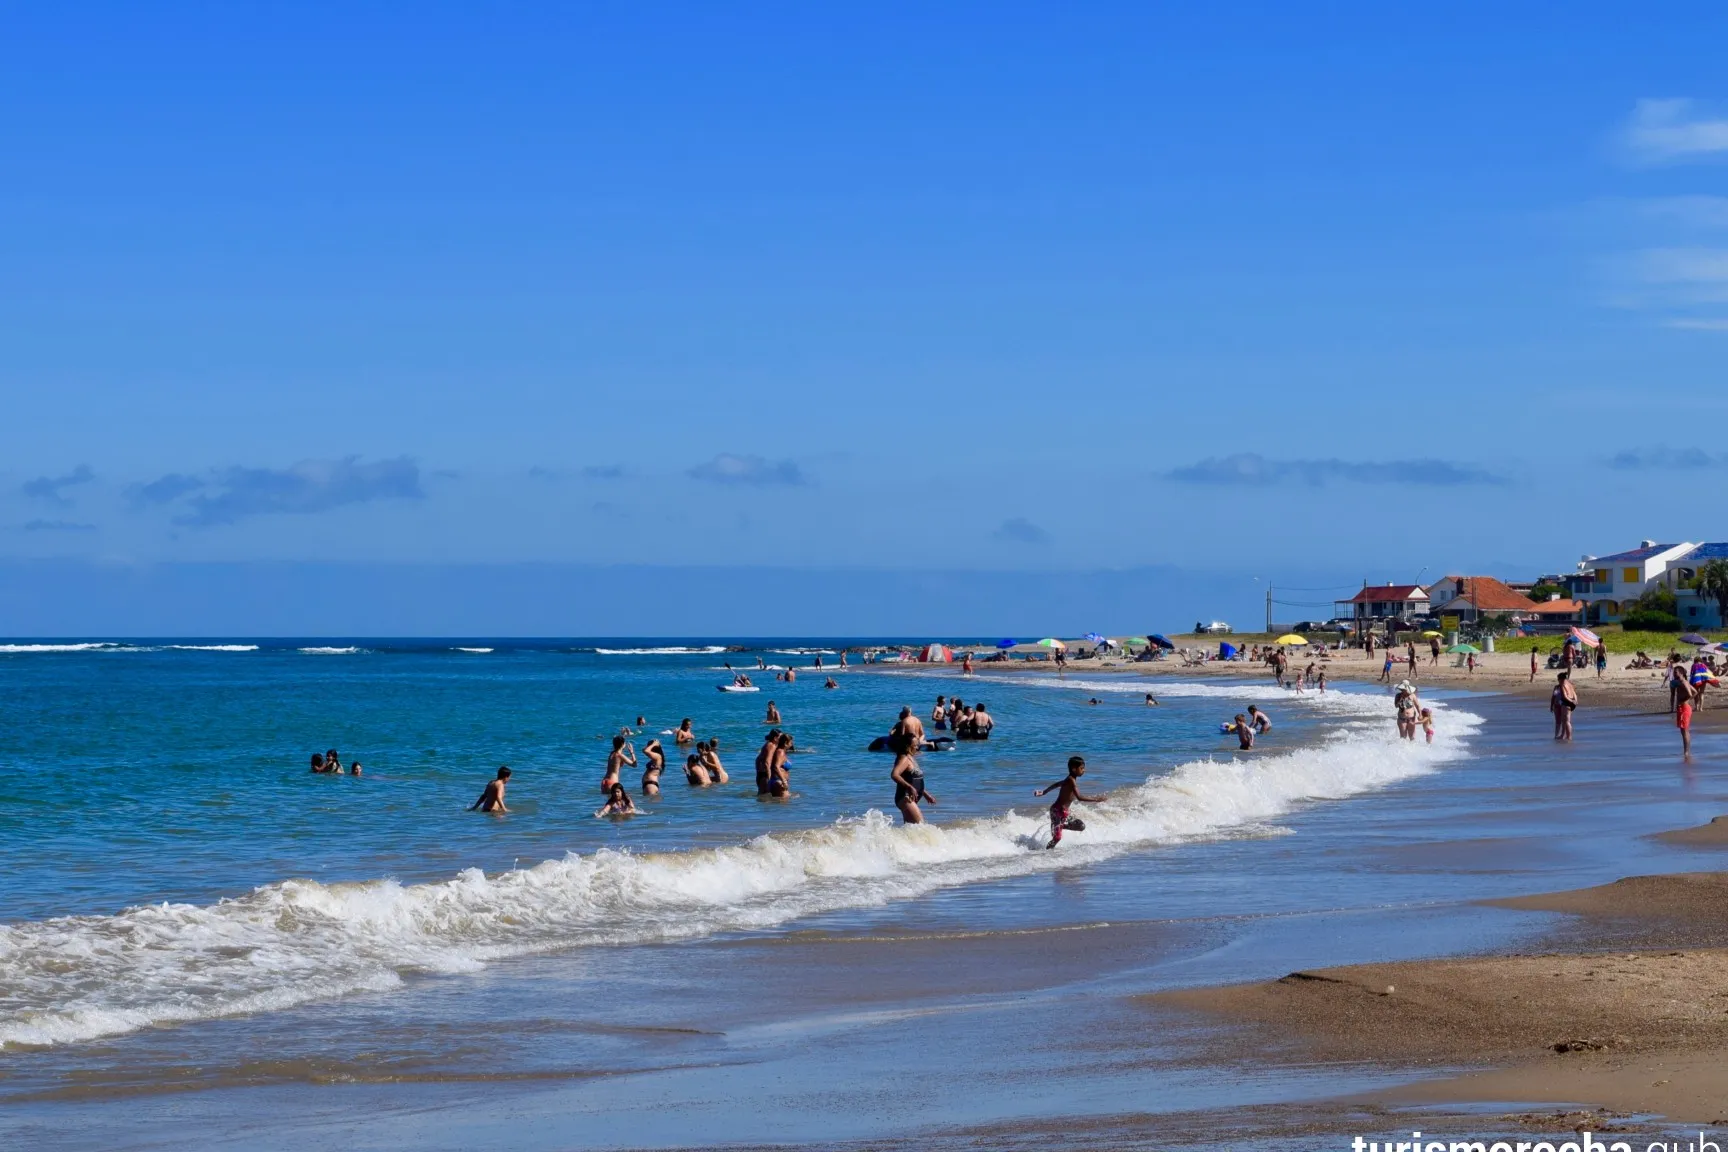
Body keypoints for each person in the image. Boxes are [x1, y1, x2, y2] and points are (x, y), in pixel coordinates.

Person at [1033, 756, 1107, 850]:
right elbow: (1079, 797)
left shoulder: (1069, 779)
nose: (1084, 770)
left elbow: (1057, 784)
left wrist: (1044, 792)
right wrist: (1097, 799)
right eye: (1082, 768)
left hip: (1064, 812)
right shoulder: (1071, 780)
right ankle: (1046, 853)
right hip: (1057, 811)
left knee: (1080, 826)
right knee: (1057, 838)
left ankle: (1060, 826)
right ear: (1074, 769)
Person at [890, 749, 934, 824]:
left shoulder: (911, 758)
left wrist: (925, 794)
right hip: (905, 797)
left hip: (911, 797)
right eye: (915, 746)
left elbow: (913, 780)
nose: (917, 748)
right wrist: (909, 787)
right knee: (920, 826)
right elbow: (894, 775)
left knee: (911, 829)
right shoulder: (904, 759)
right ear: (908, 747)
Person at [1551, 671, 1577, 742]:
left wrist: (1571, 701)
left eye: (1558, 679)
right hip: (1570, 702)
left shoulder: (1562, 685)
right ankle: (1563, 735)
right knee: (1565, 721)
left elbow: (1565, 696)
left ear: (1561, 679)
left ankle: (1569, 737)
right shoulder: (1570, 684)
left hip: (1566, 703)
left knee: (1567, 721)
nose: (1558, 681)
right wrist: (1574, 701)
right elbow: (1574, 695)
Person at [755, 730, 781, 795]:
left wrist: (758, 773)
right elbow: (767, 762)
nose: (782, 739)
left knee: (764, 797)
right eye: (780, 737)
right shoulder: (771, 745)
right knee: (764, 798)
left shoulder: (768, 744)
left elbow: (757, 759)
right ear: (775, 738)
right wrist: (769, 777)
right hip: (765, 775)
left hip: (762, 774)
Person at [1678, 678, 1699, 756]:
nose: (1674, 674)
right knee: (1684, 731)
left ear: (1681, 673)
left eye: (1676, 672)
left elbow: (1692, 693)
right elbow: (1695, 691)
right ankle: (1686, 751)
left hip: (1684, 707)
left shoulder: (1684, 682)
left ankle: (1686, 752)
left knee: (1685, 731)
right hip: (1683, 707)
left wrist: (1685, 700)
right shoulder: (1684, 682)